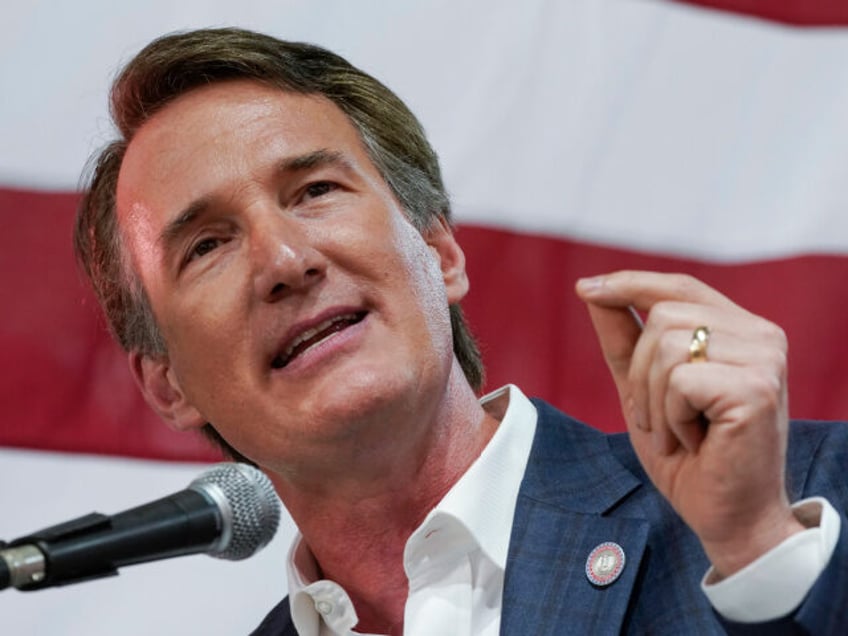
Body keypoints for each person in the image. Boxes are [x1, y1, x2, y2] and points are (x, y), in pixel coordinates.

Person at [74, 27, 848, 635]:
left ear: (439, 251)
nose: (283, 259)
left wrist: (756, 555)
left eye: (314, 190)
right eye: (206, 245)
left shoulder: (800, 496)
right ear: (167, 384)